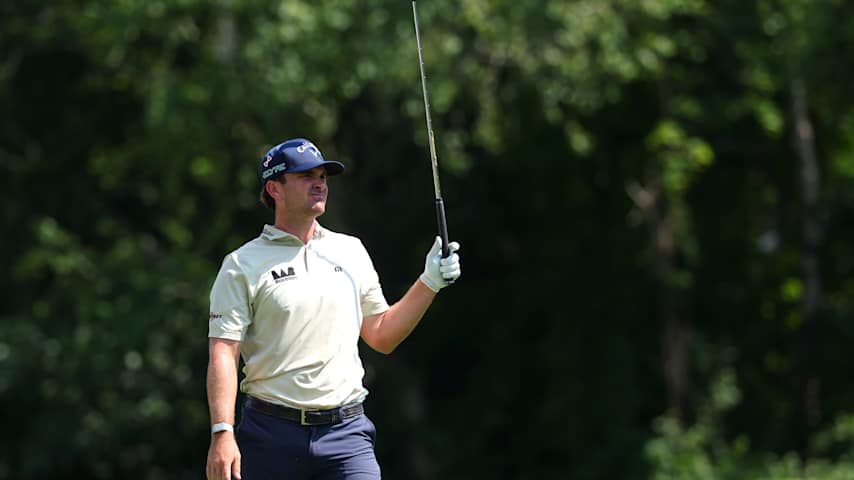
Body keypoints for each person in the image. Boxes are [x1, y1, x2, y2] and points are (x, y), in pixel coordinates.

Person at [205, 138, 461, 480]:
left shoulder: (350, 250)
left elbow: (381, 335)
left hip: (346, 434)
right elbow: (224, 352)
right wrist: (223, 431)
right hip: (270, 434)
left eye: (323, 176)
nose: (319, 183)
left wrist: (429, 282)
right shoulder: (241, 264)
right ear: (274, 188)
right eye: (305, 176)